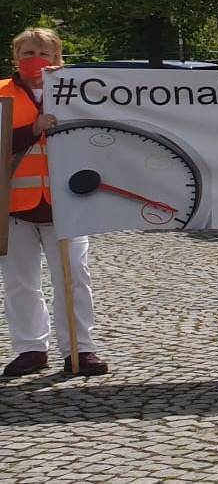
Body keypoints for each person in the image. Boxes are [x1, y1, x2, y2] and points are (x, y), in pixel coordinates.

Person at [2, 27, 106, 377]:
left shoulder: (77, 93)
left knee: (74, 278)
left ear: (57, 58)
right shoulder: (1, 93)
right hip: (15, 206)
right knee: (19, 282)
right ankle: (31, 348)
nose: (35, 60)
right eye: (27, 53)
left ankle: (80, 348)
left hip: (69, 204)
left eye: (43, 53)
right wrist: (32, 129)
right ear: (15, 58)